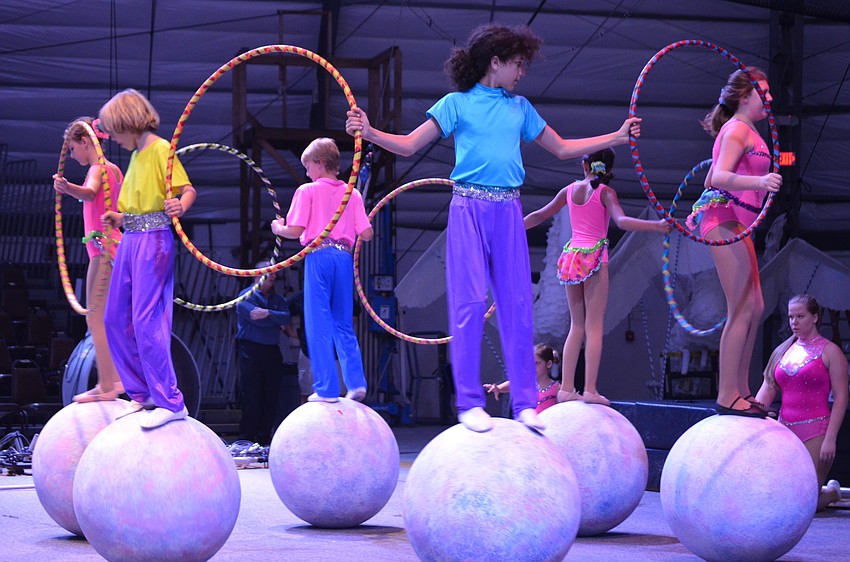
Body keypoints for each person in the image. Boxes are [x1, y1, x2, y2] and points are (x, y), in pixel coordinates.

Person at [345, 23, 640, 433]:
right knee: (467, 305)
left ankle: (524, 404)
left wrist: (618, 137)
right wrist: (370, 131)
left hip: (508, 213)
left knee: (518, 306)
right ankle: (469, 403)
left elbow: (562, 148)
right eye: (517, 64)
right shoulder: (456, 103)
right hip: (467, 209)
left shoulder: (521, 109)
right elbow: (411, 144)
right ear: (495, 63)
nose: (522, 73)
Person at [525, 149, 668, 406]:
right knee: (593, 327)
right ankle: (590, 389)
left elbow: (538, 216)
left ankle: (567, 388)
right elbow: (622, 221)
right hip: (593, 258)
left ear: (584, 165)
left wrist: (509, 226)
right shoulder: (605, 193)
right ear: (609, 169)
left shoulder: (569, 190)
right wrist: (656, 226)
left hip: (571, 257)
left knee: (576, 326)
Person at [686, 67, 782, 417]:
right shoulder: (737, 129)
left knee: (755, 306)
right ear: (745, 96)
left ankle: (742, 389)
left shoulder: (748, 130)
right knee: (741, 306)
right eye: (764, 93)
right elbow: (719, 177)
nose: (770, 99)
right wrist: (761, 184)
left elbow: (713, 172)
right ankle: (727, 394)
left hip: (740, 222)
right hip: (722, 217)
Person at [98, 88, 197, 429]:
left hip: (154, 242)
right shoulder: (137, 155)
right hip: (131, 239)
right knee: (113, 318)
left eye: (114, 128)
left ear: (129, 122)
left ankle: (171, 400)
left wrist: (179, 206)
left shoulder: (160, 149)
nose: (111, 136)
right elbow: (138, 202)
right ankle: (143, 394)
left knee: (146, 320)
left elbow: (187, 191)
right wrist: (119, 218)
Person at [271, 138, 373, 403]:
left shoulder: (307, 191)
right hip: (343, 259)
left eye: (307, 166)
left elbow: (294, 231)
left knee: (318, 323)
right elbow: (368, 233)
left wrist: (277, 228)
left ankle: (326, 389)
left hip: (318, 256)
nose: (306, 172)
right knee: (343, 323)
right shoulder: (352, 193)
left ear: (319, 163)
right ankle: (356, 383)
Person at [52, 117, 124, 402]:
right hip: (110, 248)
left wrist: (66, 187)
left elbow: (91, 192)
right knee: (101, 318)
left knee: (95, 318)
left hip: (104, 250)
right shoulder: (115, 169)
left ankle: (109, 383)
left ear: (85, 142)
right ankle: (112, 379)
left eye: (72, 149)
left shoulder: (98, 168)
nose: (71, 155)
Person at [756, 294, 848, 511]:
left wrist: (831, 439)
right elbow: (766, 390)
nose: (794, 322)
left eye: (800, 316)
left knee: (805, 505)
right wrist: (751, 415)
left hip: (816, 431)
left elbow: (842, 396)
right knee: (781, 499)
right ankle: (829, 492)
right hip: (783, 429)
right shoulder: (782, 351)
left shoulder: (830, 352)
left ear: (815, 317)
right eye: (790, 317)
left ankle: (832, 492)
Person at [234, 264, 297, 444]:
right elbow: (255, 317)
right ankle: (246, 437)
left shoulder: (278, 299)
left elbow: (285, 318)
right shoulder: (245, 296)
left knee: (271, 394)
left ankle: (265, 437)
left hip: (271, 351)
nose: (274, 276)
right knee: (251, 394)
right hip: (250, 351)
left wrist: (268, 314)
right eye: (269, 272)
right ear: (257, 275)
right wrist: (274, 319)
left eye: (274, 273)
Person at [484, 344, 561, 414]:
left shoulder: (557, 388)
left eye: (536, 363)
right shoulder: (526, 384)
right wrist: (498, 388)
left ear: (549, 364)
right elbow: (513, 384)